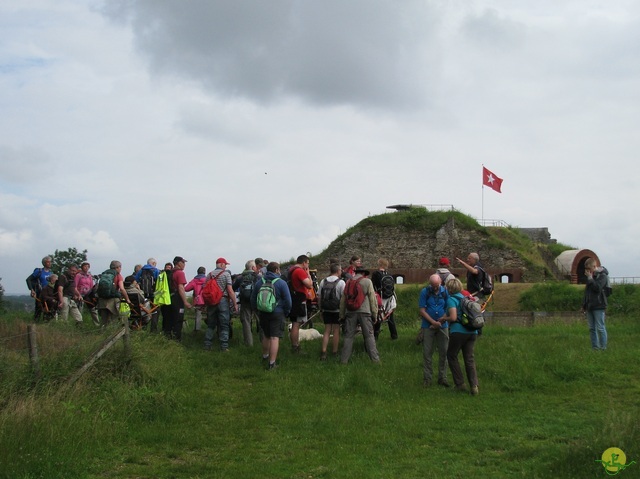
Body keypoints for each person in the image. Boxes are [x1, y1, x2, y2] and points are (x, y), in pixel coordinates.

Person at [251, 262, 292, 369]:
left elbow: (253, 298)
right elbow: (288, 301)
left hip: (263, 312)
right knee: (274, 337)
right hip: (277, 312)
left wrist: (257, 310)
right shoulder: (281, 283)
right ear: (277, 270)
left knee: (266, 335)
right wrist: (286, 312)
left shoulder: (260, 282)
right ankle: (272, 363)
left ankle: (265, 356)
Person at [445, 277, 479, 395]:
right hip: (472, 331)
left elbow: (453, 317)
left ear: (449, 289)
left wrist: (444, 318)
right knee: (469, 359)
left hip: (459, 331)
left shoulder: (451, 299)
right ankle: (474, 386)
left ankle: (460, 384)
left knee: (452, 355)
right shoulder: (467, 298)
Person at [339, 266, 380, 364]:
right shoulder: (367, 282)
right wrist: (375, 314)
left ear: (356, 272)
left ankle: (343, 361)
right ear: (364, 273)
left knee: (348, 337)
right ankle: (375, 361)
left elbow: (343, 300)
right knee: (369, 336)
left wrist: (342, 315)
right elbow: (372, 299)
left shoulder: (348, 282)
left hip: (350, 312)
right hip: (365, 312)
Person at [419, 274, 450, 387]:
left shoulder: (445, 292)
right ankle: (427, 378)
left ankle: (443, 377)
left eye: (436, 285)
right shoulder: (425, 292)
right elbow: (422, 310)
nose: (435, 288)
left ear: (440, 282)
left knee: (444, 352)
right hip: (428, 326)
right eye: (433, 285)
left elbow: (449, 308)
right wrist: (432, 322)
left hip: (443, 325)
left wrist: (440, 322)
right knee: (427, 353)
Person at [204, 258, 238, 352]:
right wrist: (234, 303)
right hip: (223, 300)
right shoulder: (226, 274)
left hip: (211, 302)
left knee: (211, 324)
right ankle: (224, 346)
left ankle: (207, 345)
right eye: (225, 264)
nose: (226, 266)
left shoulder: (209, 275)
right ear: (221, 264)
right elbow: (230, 290)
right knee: (224, 324)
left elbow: (204, 288)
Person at [317, 262, 345, 360]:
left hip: (326, 309)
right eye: (341, 270)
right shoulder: (341, 282)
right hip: (336, 309)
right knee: (336, 330)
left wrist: (320, 309)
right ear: (338, 271)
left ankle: (324, 351)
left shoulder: (323, 281)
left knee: (327, 330)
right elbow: (343, 298)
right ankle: (334, 351)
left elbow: (319, 296)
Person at [287, 255, 314, 353]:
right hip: (299, 299)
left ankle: (295, 345)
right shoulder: (299, 271)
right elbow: (309, 285)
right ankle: (295, 346)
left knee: (295, 323)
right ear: (304, 263)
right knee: (296, 324)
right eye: (307, 263)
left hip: (294, 298)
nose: (308, 265)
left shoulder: (291, 270)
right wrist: (308, 275)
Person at [582, 258, 610, 351]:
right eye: (586, 269)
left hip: (599, 305)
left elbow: (597, 288)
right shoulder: (591, 276)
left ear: (594, 266)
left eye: (589, 269)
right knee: (591, 328)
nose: (588, 271)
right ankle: (595, 348)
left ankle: (603, 348)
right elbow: (587, 292)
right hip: (590, 305)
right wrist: (584, 305)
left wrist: (590, 278)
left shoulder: (602, 276)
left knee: (600, 327)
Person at [163, 256, 192, 341]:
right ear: (179, 263)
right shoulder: (180, 273)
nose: (184, 265)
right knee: (178, 319)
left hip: (167, 298)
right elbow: (181, 288)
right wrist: (185, 302)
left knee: (168, 319)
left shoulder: (168, 273)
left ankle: (167, 337)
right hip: (176, 299)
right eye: (183, 263)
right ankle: (176, 339)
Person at [98, 260, 131, 327]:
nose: (120, 269)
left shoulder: (104, 274)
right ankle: (112, 334)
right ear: (117, 267)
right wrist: (127, 299)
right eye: (120, 267)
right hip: (113, 300)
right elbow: (122, 289)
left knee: (103, 321)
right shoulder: (118, 276)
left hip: (102, 299)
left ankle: (101, 334)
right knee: (114, 319)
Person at [371, 258, 398, 340]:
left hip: (380, 297)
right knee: (390, 317)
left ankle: (375, 337)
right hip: (389, 298)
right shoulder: (389, 274)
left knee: (378, 317)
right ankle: (394, 336)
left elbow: (373, 286)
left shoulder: (376, 274)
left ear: (379, 264)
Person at [232, 260, 258, 346]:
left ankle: (248, 343)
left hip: (245, 301)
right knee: (261, 321)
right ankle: (263, 341)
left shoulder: (240, 278)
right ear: (253, 267)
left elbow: (233, 288)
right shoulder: (258, 277)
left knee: (246, 322)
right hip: (257, 302)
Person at [135, 258, 161, 332]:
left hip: (143, 296)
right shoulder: (156, 271)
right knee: (156, 311)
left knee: (143, 311)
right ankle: (153, 329)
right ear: (153, 263)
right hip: (153, 295)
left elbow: (136, 281)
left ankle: (143, 327)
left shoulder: (141, 271)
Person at [26, 256, 54, 322]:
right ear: (44, 263)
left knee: (49, 308)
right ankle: (35, 323)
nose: (50, 263)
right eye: (48, 262)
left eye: (50, 262)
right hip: (40, 293)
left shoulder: (51, 273)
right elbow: (28, 279)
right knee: (39, 308)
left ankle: (46, 323)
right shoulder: (39, 271)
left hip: (49, 293)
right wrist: (32, 290)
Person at [75, 261, 99, 325]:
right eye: (85, 266)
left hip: (88, 294)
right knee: (80, 309)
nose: (86, 268)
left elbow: (91, 286)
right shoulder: (78, 275)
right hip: (80, 293)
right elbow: (75, 285)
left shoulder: (89, 276)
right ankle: (79, 323)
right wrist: (77, 294)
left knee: (92, 308)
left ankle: (97, 323)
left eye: (88, 266)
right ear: (82, 267)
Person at [185, 266, 207, 332]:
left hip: (197, 301)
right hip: (206, 300)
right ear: (204, 272)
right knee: (210, 314)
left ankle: (197, 329)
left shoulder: (194, 280)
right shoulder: (207, 280)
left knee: (198, 315)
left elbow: (186, 289)